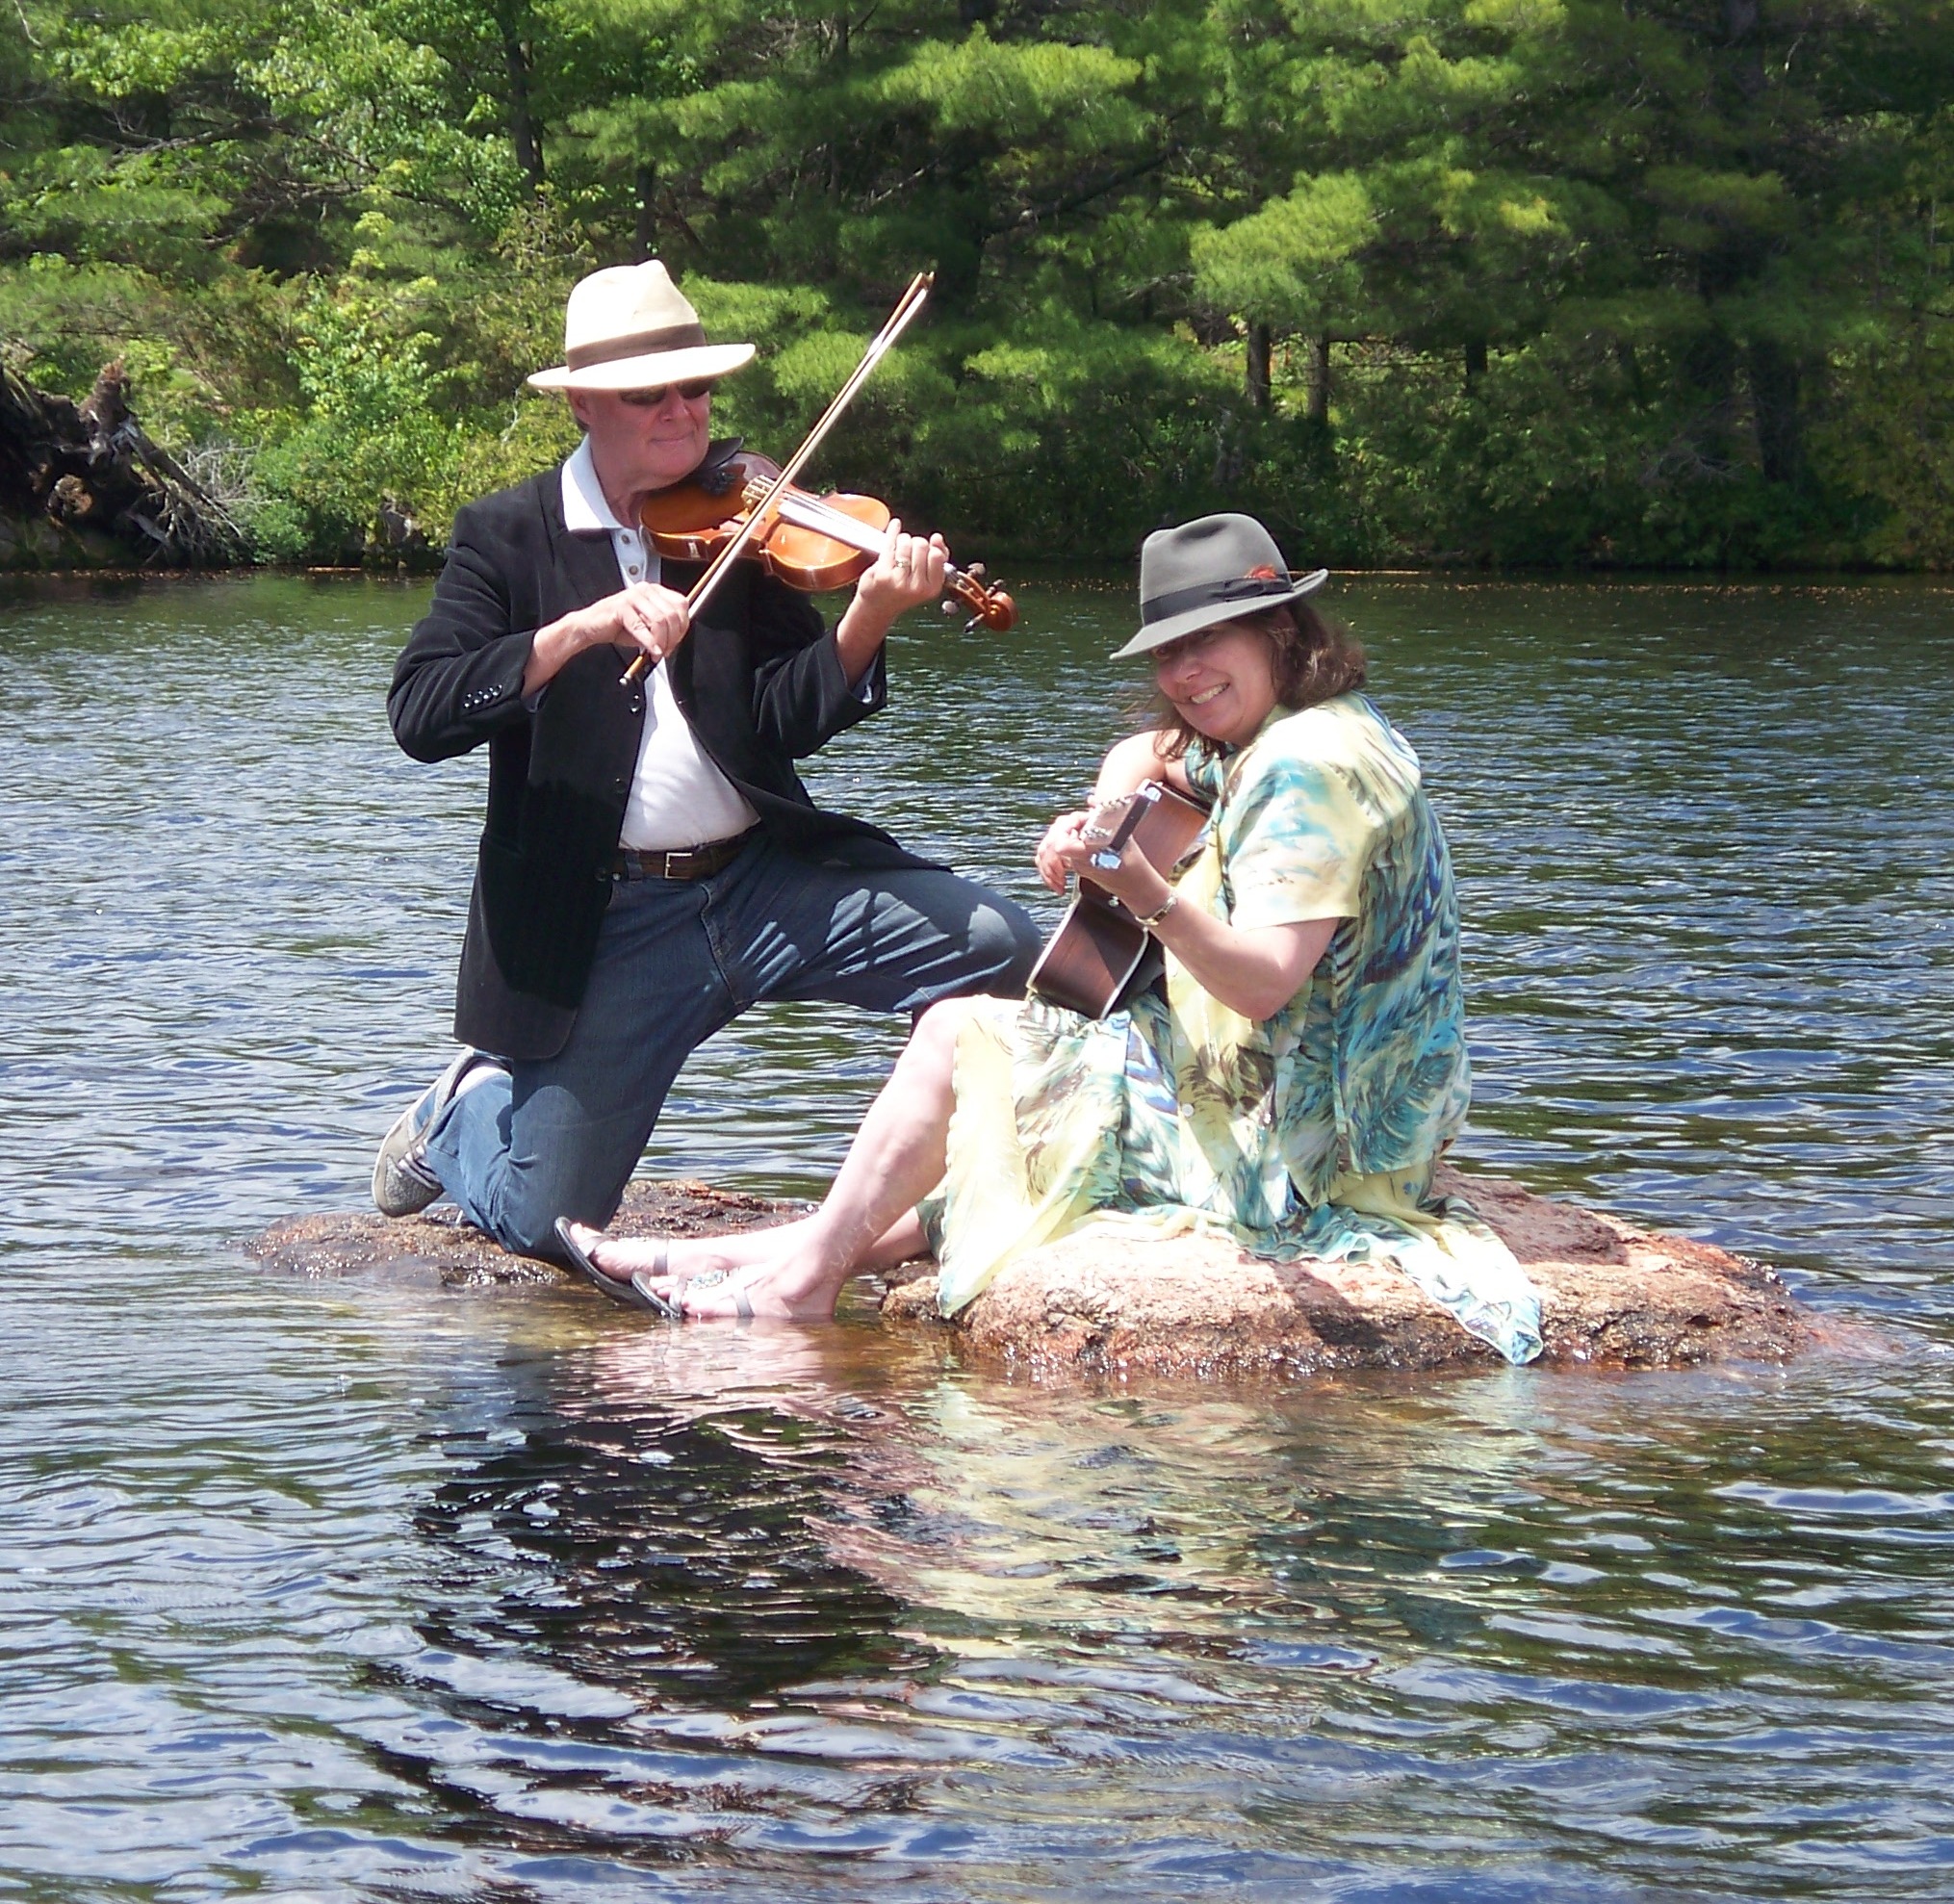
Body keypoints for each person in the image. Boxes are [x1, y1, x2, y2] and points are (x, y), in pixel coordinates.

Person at [561, 513, 1542, 1364]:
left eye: (1210, 641)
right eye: (1167, 651)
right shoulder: (1306, 725)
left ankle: (798, 1283)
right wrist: (1103, 810)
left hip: (1311, 1153)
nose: (1187, 672)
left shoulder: (1305, 769)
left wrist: (1144, 888)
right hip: (1329, 1107)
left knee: (961, 1037)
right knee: (1021, 1096)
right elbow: (1170, 762)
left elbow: (1262, 985)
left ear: (1278, 626)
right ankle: (757, 1251)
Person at [372, 261, 1041, 1258]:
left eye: (697, 388)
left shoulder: (740, 509)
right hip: (611, 920)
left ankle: (902, 1203)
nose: (685, 412)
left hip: (764, 882)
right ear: (587, 404)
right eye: (652, 394)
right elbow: (421, 712)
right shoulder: (508, 539)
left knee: (1001, 948)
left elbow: (779, 715)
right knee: (542, 1222)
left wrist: (864, 617)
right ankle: (459, 1112)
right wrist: (576, 632)